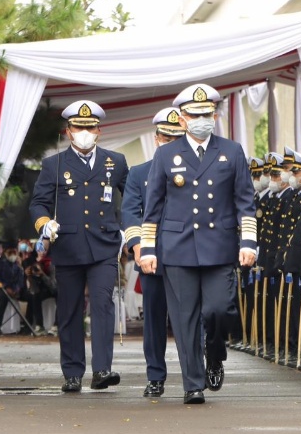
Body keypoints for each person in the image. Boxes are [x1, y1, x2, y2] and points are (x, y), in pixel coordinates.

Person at [140, 83, 256, 406]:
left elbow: (245, 201)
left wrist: (248, 242)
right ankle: (193, 383)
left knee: (219, 309)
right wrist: (148, 249)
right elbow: (153, 207)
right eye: (195, 114)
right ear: (182, 118)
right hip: (177, 248)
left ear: (215, 115)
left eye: (207, 113)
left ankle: (215, 352)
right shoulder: (165, 154)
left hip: (220, 247)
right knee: (184, 318)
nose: (202, 119)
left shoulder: (231, 151)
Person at [29, 100, 129, 393]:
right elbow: (38, 203)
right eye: (78, 127)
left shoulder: (116, 162)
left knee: (102, 304)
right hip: (69, 246)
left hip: (104, 245)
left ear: (99, 130)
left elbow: (134, 197)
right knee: (70, 310)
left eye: (89, 127)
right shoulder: (53, 164)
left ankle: (102, 370)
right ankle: (72, 372)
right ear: (68, 131)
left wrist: (128, 229)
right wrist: (45, 224)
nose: (84, 132)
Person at [122, 107, 185, 398]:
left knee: (190, 318)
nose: (169, 142)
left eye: (176, 137)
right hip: (152, 257)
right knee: (155, 320)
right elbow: (131, 213)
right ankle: (156, 376)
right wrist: (137, 247)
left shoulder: (196, 170)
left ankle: (193, 375)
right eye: (164, 136)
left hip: (187, 257)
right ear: (156, 137)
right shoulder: (139, 173)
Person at [0, 241, 24, 335]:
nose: (13, 255)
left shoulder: (17, 265)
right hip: (0, 289)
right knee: (3, 298)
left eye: (15, 253)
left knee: (31, 295)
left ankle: (26, 326)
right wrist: (6, 288)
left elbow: (20, 280)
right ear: (5, 252)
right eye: (10, 253)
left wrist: (16, 289)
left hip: (14, 290)